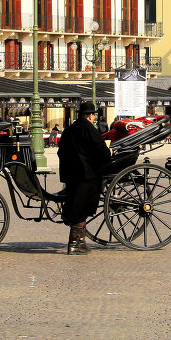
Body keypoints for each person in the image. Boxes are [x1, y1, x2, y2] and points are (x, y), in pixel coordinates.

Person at [57, 101, 114, 255]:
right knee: (82, 206)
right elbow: (100, 150)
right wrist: (108, 153)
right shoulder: (89, 129)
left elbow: (60, 152)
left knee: (76, 204)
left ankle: (79, 241)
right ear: (90, 116)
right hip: (87, 175)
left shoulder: (69, 130)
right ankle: (75, 243)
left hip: (72, 175)